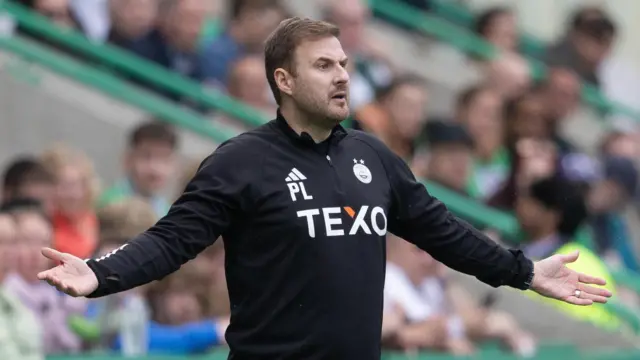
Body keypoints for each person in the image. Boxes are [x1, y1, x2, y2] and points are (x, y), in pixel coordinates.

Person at [38, 17, 611, 360]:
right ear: (283, 81)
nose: (341, 75)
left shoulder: (374, 157)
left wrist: (527, 273)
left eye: (343, 63)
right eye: (323, 65)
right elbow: (171, 241)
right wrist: (99, 274)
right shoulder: (241, 162)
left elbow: (446, 234)